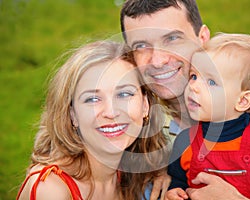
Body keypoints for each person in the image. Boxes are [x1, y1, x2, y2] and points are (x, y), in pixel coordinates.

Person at [120, 0, 250, 199]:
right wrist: (169, 179)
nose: (158, 61)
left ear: (202, 38)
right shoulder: (139, 110)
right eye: (141, 46)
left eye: (172, 38)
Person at [16, 40, 169, 200]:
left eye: (124, 94)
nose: (111, 112)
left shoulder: (133, 173)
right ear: (72, 114)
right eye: (93, 99)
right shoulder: (51, 189)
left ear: (145, 105)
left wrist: (168, 174)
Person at [166, 33, 250, 200]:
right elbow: (177, 180)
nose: (193, 87)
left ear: (243, 100)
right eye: (194, 76)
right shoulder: (185, 142)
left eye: (211, 82)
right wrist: (174, 191)